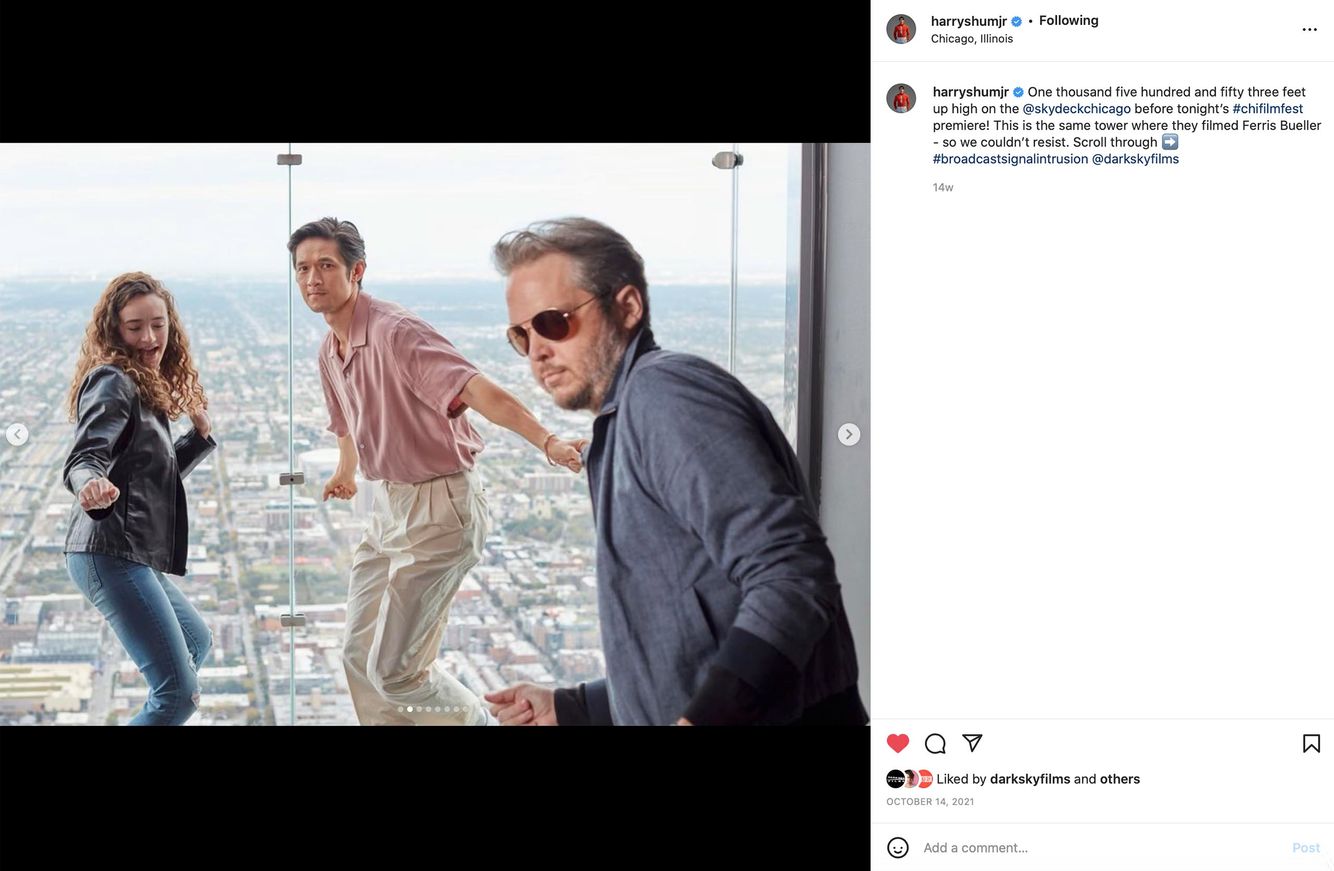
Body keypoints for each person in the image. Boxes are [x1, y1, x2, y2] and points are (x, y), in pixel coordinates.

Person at [483, 217, 865, 726]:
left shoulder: (664, 398)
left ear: (627, 307)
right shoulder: (625, 423)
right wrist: (576, 707)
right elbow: (690, 638)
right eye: (520, 335)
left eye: (554, 322)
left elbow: (791, 576)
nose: (537, 351)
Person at [289, 217, 585, 726]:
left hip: (441, 509)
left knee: (398, 672)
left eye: (325, 266)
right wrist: (346, 471)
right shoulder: (329, 350)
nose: (312, 278)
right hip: (390, 507)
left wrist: (548, 440)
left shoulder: (394, 331)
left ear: (356, 270)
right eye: (302, 269)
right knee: (356, 658)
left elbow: (477, 390)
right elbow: (347, 420)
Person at [63, 272, 217, 725]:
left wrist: (198, 438)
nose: (150, 338)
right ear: (114, 331)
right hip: (107, 551)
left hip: (125, 550)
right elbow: (85, 457)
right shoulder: (113, 381)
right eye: (135, 328)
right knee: (177, 695)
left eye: (158, 324)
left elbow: (151, 478)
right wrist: (88, 482)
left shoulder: (143, 384)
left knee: (196, 643)